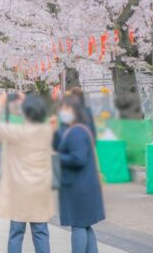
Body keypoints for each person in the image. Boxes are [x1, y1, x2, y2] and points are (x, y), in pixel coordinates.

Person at [0, 93, 55, 253]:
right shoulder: (47, 132)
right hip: (40, 190)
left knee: (16, 233)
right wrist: (31, 103)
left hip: (19, 190)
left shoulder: (16, 132)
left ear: (24, 112)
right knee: (41, 232)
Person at [53, 95, 105, 253]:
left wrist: (55, 158)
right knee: (85, 225)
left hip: (78, 187)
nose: (62, 112)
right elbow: (60, 146)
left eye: (66, 109)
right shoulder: (79, 129)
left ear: (75, 112)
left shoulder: (76, 132)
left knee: (78, 226)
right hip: (83, 186)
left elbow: (78, 158)